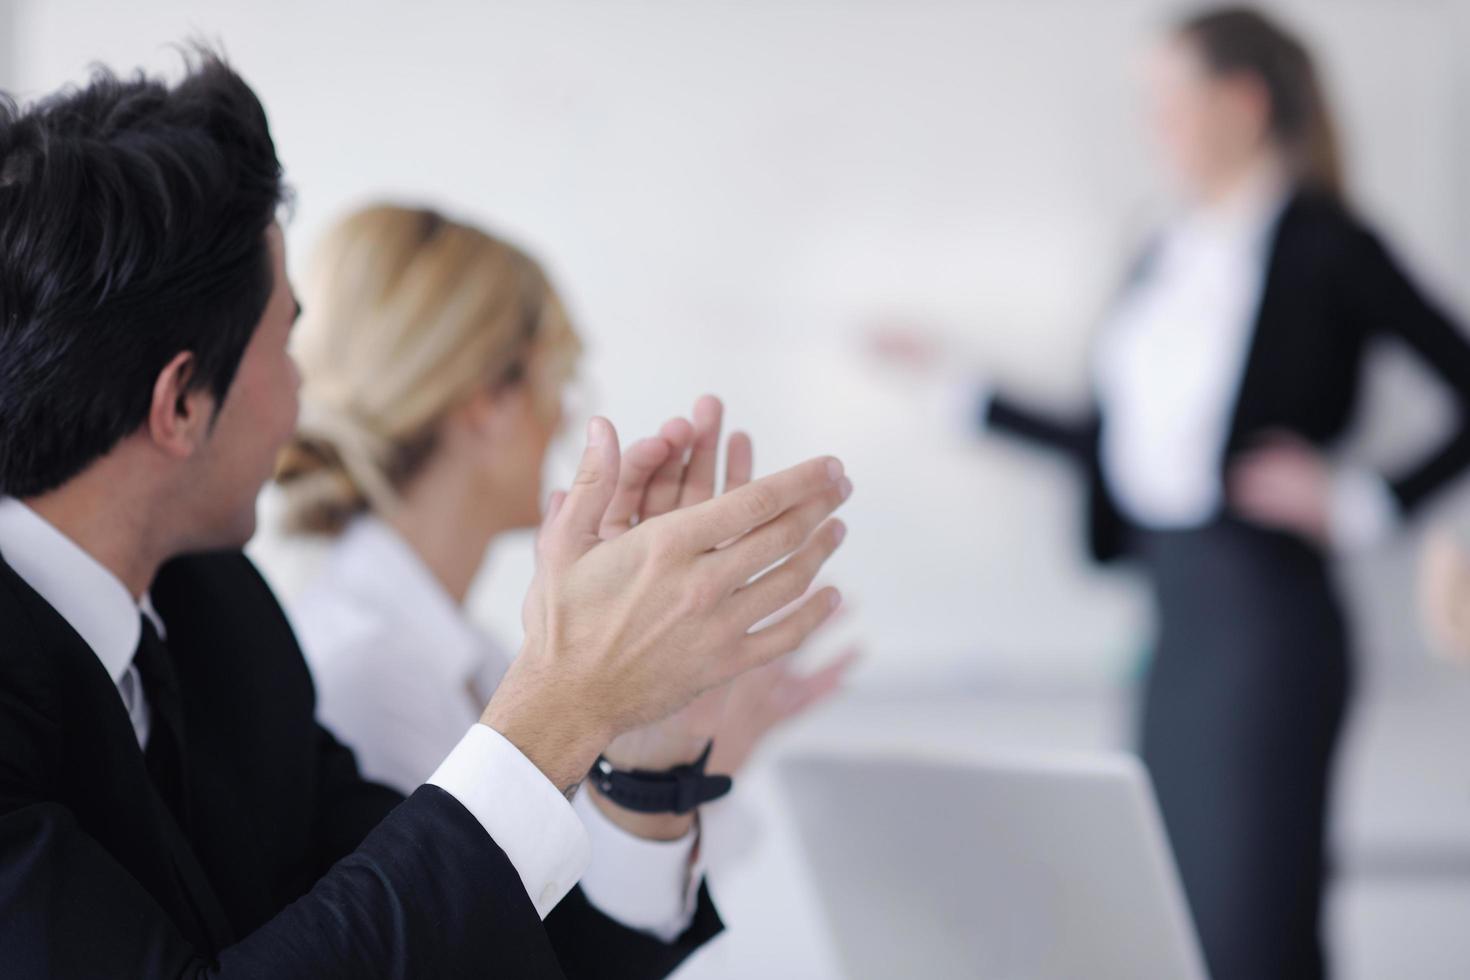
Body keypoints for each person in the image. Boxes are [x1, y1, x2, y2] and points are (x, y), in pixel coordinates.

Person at [0, 50, 851, 978]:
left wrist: (641, 766)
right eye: (288, 342)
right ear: (179, 404)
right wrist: (559, 702)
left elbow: (487, 949)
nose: (306, 398)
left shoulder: (216, 614)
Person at [876, 7, 1470, 979]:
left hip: (1266, 620)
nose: (1152, 126)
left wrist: (1365, 502)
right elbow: (1114, 444)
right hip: (1175, 616)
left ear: (1240, 103)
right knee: (1177, 916)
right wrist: (957, 388)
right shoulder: (1163, 253)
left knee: (1256, 929)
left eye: (1167, 101)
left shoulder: (1327, 243)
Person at [264, 205, 855, 944]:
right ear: (486, 400)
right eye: (559, 379)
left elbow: (579, 946)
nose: (567, 419)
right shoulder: (370, 671)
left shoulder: (462, 654)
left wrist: (665, 765)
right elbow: (512, 959)